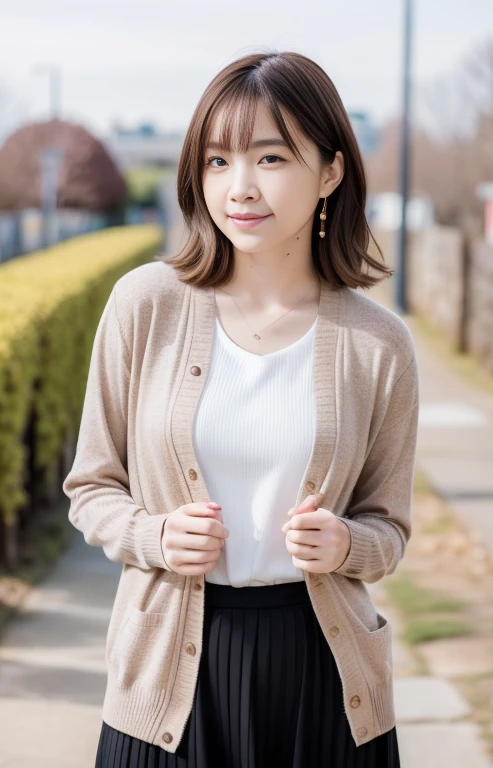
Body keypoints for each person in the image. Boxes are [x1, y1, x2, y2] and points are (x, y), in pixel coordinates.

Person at [63, 50, 419, 768]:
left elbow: (390, 527)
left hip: (322, 679)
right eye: (218, 161)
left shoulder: (378, 344)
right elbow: (91, 488)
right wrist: (156, 534)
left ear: (330, 172)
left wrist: (346, 545)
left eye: (271, 158)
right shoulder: (146, 305)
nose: (241, 187)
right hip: (166, 669)